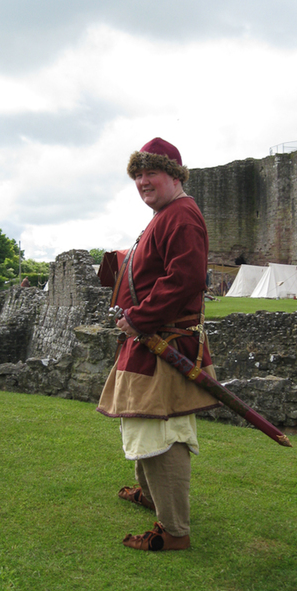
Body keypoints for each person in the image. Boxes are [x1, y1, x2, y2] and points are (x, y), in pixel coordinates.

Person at [97, 137, 219, 551]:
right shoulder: (165, 215)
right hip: (148, 340)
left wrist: (137, 317)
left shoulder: (181, 215)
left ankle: (173, 531)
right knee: (141, 421)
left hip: (164, 344)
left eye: (151, 172)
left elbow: (183, 280)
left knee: (161, 430)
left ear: (174, 175)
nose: (143, 181)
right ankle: (151, 497)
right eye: (138, 174)